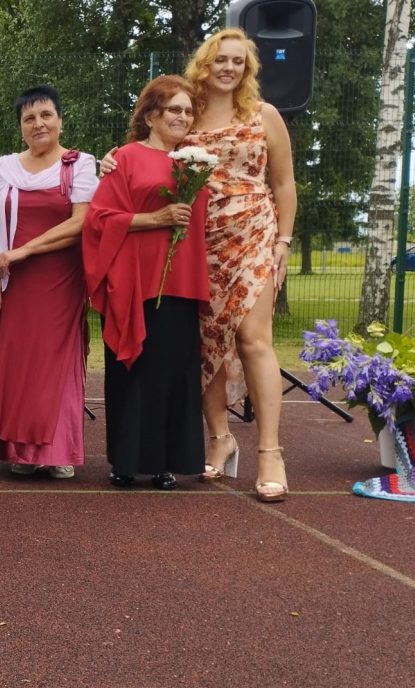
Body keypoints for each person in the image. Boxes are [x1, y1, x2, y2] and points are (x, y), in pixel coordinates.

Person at [102, 29, 297, 501]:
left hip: (252, 233)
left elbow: (285, 184)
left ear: (247, 68)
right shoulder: (188, 117)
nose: (228, 68)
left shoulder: (264, 115)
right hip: (196, 241)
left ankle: (270, 453)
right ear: (205, 65)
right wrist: (110, 159)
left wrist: (284, 241)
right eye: (220, 60)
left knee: (252, 339)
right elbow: (149, 150)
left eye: (237, 61)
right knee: (205, 346)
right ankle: (220, 438)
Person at [83, 75, 211, 490]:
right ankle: (126, 460)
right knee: (134, 370)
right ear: (152, 115)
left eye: (188, 111)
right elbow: (99, 219)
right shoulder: (124, 158)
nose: (183, 117)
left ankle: (165, 462)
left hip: (180, 280)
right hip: (135, 280)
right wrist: (154, 219)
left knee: (173, 374)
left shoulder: (195, 162)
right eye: (174, 109)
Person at [0, 85, 98, 480]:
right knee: (17, 362)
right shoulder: (3, 168)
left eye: (46, 115)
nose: (38, 124)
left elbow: (80, 222)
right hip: (12, 281)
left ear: (60, 120)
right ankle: (21, 449)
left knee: (56, 362)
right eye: (29, 118)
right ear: (20, 127)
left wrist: (23, 251)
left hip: (59, 280)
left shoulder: (80, 164)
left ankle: (58, 450)